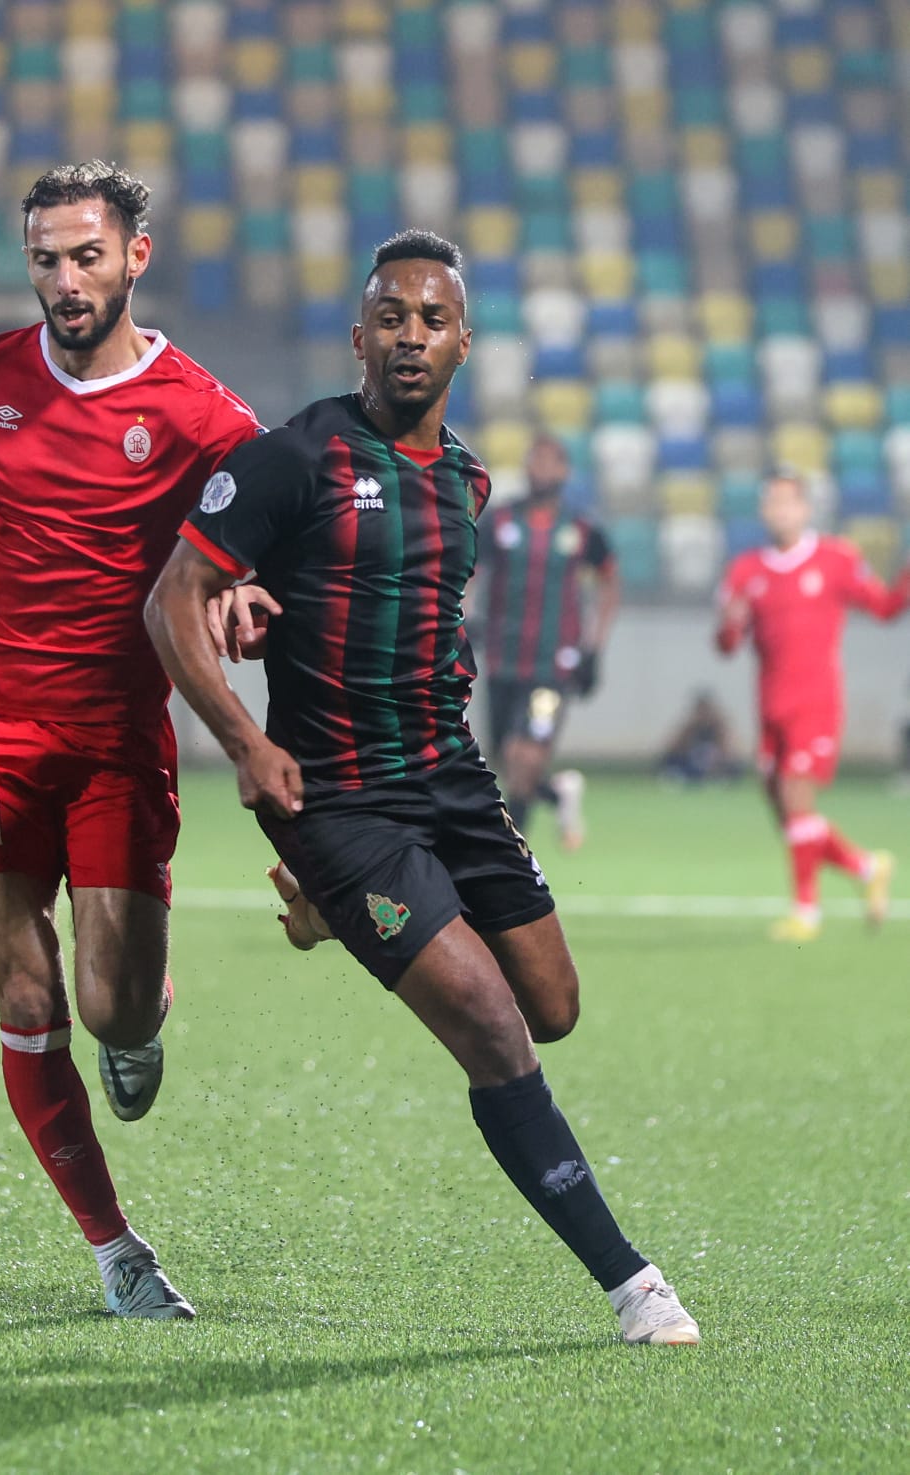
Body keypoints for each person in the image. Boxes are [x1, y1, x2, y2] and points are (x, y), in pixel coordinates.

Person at [146, 229, 699, 1346]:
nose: (408, 336)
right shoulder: (291, 457)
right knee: (497, 1030)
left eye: (429, 320)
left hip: (451, 777)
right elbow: (172, 600)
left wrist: (269, 604)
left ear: (462, 343)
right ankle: (632, 1285)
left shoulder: (466, 479)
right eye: (388, 318)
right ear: (358, 338)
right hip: (337, 801)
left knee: (553, 1004)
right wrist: (246, 744)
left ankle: (341, 914)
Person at [0, 161, 261, 1319]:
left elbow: (244, 547)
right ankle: (116, 1251)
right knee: (24, 987)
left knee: (112, 1004)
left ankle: (135, 1024)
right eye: (44, 258)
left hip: (110, 733)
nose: (63, 279)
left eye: (85, 256)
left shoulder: (203, 416)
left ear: (133, 258)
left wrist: (240, 597)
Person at [716, 471, 910, 941]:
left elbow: (884, 608)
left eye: (789, 502)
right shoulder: (746, 570)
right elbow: (727, 644)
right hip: (770, 706)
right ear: (762, 512)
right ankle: (867, 867)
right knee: (786, 811)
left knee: (796, 796)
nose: (780, 511)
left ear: (805, 509)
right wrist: (730, 624)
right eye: (772, 503)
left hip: (816, 701)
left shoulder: (836, 559)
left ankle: (807, 911)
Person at [471, 434, 620, 849]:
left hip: (553, 665)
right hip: (504, 658)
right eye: (535, 461)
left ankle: (513, 850)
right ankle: (558, 794)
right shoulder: (500, 522)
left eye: (550, 463)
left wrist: (594, 648)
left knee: (527, 754)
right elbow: (470, 570)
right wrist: (463, 616)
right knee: (505, 759)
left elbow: (610, 582)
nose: (541, 470)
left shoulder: (582, 528)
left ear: (565, 472)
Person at [658, 689, 741, 786]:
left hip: (714, 765)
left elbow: (728, 750)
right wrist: (690, 731)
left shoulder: (718, 726)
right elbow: (675, 748)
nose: (703, 714)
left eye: (706, 710)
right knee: (672, 762)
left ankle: (716, 778)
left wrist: (718, 758)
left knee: (735, 766)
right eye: (700, 710)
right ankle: (684, 778)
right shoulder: (690, 727)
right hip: (692, 764)